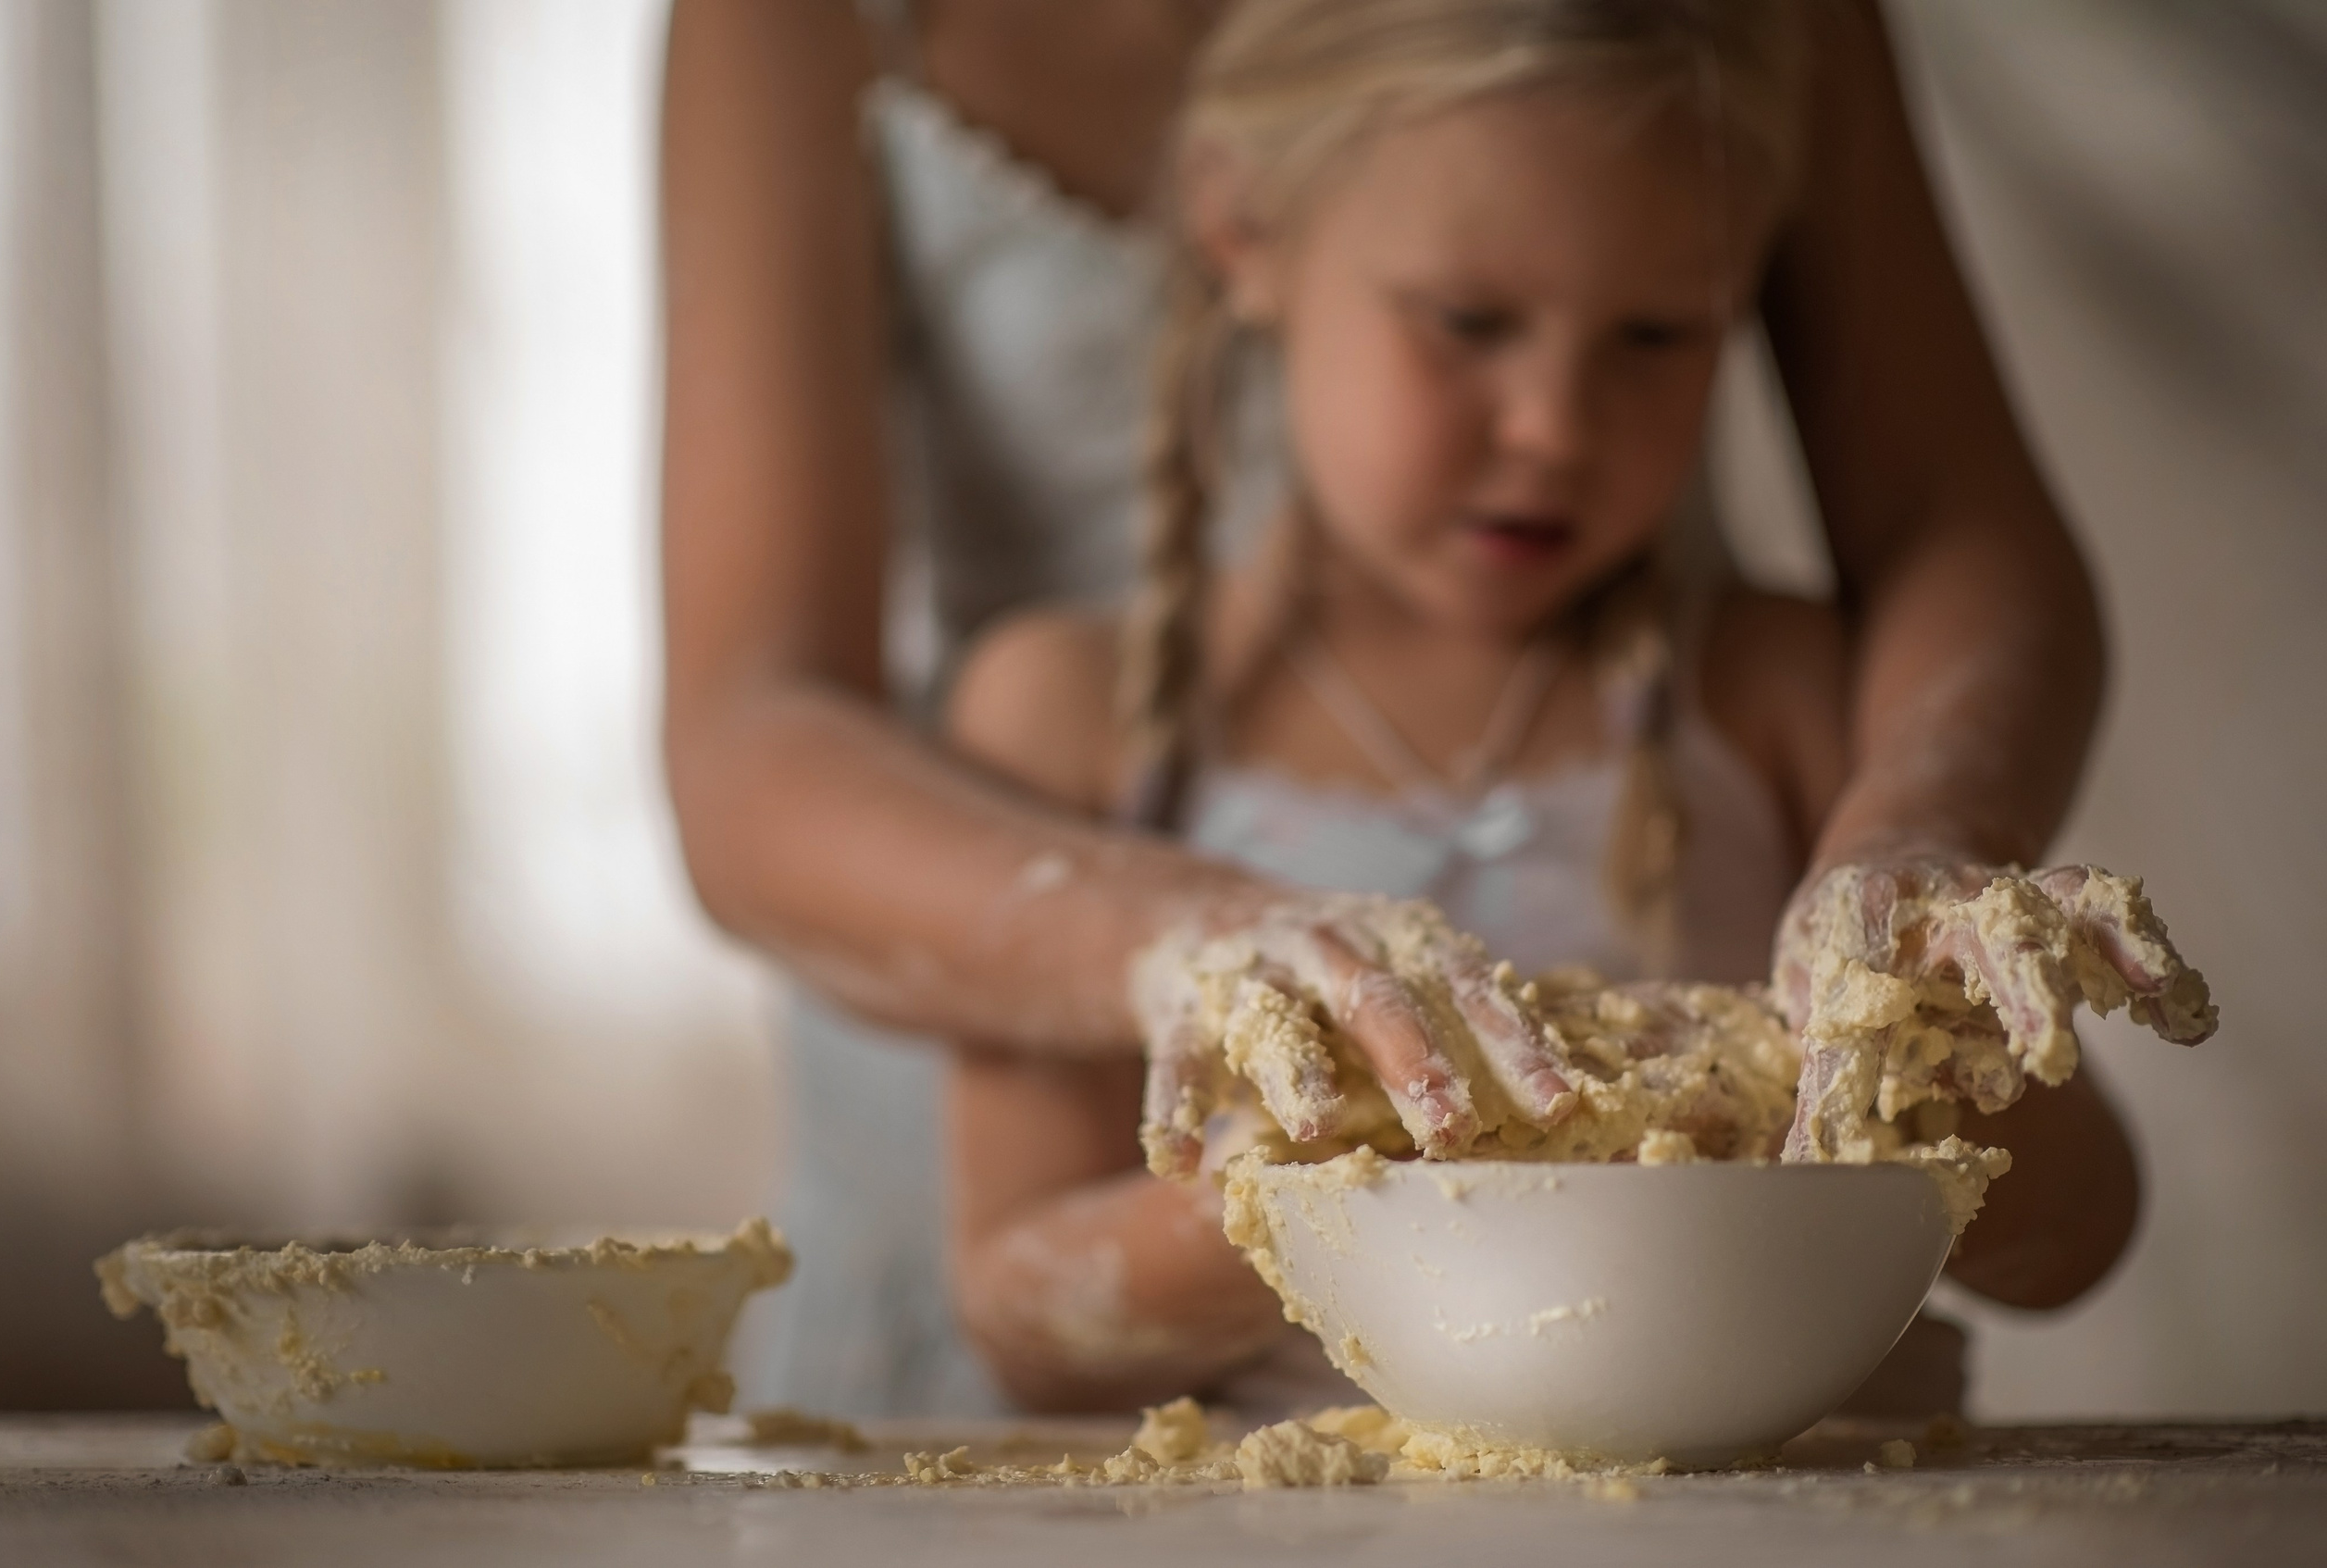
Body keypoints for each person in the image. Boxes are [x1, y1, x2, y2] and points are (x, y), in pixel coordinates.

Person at [658, 0, 2127, 1414]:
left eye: (1659, 335)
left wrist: (1914, 997)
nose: (1551, 424)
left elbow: (2077, 1231)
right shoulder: (1069, 723)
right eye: (1468, 320)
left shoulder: (1777, 704)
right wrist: (1329, 1184)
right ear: (1239, 233)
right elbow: (1034, 1312)